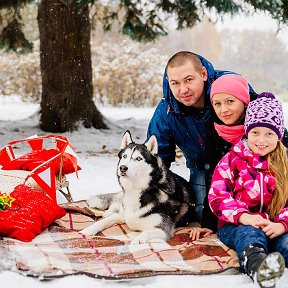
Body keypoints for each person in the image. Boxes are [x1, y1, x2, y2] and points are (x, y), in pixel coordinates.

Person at [147, 51, 255, 222]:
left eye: (189, 80)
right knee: (201, 215)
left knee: (256, 207)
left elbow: (262, 126)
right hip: (203, 167)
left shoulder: (228, 87)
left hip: (248, 164)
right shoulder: (166, 112)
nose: (183, 89)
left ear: (203, 74)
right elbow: (157, 160)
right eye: (175, 83)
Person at [208, 92, 288, 287]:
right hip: (236, 225)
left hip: (274, 226)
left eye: (269, 133)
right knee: (250, 235)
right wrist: (243, 216)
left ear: (278, 136)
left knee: (286, 243)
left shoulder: (285, 163)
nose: (261, 139)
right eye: (255, 132)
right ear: (246, 132)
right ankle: (259, 267)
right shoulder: (233, 159)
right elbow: (217, 196)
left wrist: (282, 225)